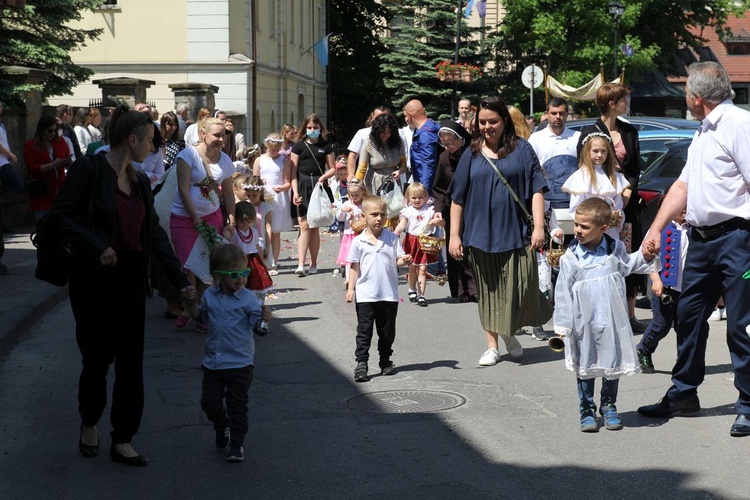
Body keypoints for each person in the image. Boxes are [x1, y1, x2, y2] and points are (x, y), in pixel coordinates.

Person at [50, 104, 195, 466]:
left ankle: (123, 438)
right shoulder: (89, 169)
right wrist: (97, 245)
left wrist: (179, 279)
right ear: (131, 140)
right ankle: (89, 421)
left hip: (131, 279)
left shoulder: (142, 181)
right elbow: (60, 217)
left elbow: (154, 235)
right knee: (97, 360)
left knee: (131, 363)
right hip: (93, 280)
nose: (154, 146)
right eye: (149, 140)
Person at [637, 62, 750, 438]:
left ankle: (748, 404)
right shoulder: (704, 131)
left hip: (737, 239)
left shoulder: (738, 125)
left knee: (740, 326)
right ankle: (684, 393)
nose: (685, 96)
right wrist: (655, 228)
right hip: (701, 241)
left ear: (696, 97)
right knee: (688, 317)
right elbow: (682, 188)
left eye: (686, 90)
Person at [448, 96, 552, 366]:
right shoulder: (470, 153)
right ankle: (492, 345)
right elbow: (457, 198)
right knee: (488, 290)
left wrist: (539, 226)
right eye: (482, 122)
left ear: (505, 120)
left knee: (518, 288)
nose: (487, 127)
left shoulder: (522, 149)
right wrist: (454, 236)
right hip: (480, 234)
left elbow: (536, 189)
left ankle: (508, 331)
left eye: (492, 121)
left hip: (517, 232)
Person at [553, 198, 657, 432]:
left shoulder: (614, 249)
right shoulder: (571, 259)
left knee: (612, 363)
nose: (578, 230)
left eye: (584, 226)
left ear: (602, 228)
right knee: (585, 365)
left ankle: (609, 406)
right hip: (583, 323)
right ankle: (587, 410)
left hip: (611, 320)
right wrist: (562, 326)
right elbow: (563, 293)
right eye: (576, 225)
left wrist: (647, 255)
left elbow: (630, 265)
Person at [191, 243, 271, 462]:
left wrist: (263, 321)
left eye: (245, 273)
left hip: (240, 363)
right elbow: (202, 318)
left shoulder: (249, 299)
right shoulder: (209, 296)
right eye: (235, 274)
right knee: (209, 403)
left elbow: (258, 330)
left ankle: (237, 444)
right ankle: (221, 425)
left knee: (238, 406)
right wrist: (190, 305)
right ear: (219, 275)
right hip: (213, 364)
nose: (241, 279)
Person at [576, 84, 646, 333]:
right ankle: (601, 312)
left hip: (625, 204)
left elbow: (636, 166)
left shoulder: (628, 130)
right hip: (598, 205)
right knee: (600, 259)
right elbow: (581, 167)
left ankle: (629, 314)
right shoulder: (589, 131)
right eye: (622, 99)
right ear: (611, 104)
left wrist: (628, 190)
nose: (626, 102)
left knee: (626, 255)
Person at [170, 116, 236, 330]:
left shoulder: (225, 160)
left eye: (223, 135)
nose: (221, 139)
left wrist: (231, 221)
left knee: (209, 266)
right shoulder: (187, 155)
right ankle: (191, 306)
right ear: (203, 134)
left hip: (212, 216)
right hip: (184, 218)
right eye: (217, 135)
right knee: (188, 266)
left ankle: (201, 313)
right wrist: (195, 218)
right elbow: (183, 188)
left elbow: (227, 193)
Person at [345, 195, 412, 382]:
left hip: (388, 294)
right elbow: (354, 266)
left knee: (387, 331)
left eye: (382, 214)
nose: (378, 218)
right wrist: (351, 289)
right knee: (364, 330)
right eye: (374, 214)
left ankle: (385, 360)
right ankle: (362, 363)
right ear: (364, 216)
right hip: (366, 294)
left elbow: (397, 259)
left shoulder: (392, 238)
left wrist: (404, 259)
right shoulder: (358, 241)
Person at [637, 204, 689, 374]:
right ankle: (643, 349)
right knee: (661, 325)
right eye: (681, 204)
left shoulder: (696, 229)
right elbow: (647, 257)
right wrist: (655, 279)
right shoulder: (658, 229)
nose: (684, 208)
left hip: (688, 288)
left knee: (685, 327)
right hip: (664, 287)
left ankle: (684, 363)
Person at [433, 120, 476, 303]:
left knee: (472, 248)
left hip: (474, 208)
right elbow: (440, 188)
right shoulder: (444, 159)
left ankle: (477, 289)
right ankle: (461, 290)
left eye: (451, 142)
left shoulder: (474, 154)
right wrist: (438, 210)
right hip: (453, 210)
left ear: (460, 138)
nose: (448, 146)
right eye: (445, 143)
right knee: (456, 249)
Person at [290, 113, 336, 276]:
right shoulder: (298, 146)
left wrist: (323, 177)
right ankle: (301, 264)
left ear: (320, 128)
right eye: (309, 128)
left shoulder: (326, 146)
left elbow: (332, 167)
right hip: (302, 185)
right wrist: (295, 192)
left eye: (315, 128)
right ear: (305, 129)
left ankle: (313, 263)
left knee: (314, 225)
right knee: (304, 225)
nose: (312, 130)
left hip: (318, 185)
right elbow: (293, 171)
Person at [563, 133, 630, 240]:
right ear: (587, 152)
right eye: (595, 151)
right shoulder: (580, 177)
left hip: (609, 229)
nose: (600, 155)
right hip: (587, 229)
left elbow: (618, 205)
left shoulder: (613, 176)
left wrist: (616, 216)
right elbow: (576, 207)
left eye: (603, 151)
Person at [393, 182, 443, 307]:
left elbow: (442, 223)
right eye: (413, 198)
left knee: (422, 269)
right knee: (412, 268)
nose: (417, 200)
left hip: (425, 242)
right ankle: (412, 289)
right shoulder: (407, 211)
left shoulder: (430, 210)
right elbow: (402, 224)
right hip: (412, 241)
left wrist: (438, 221)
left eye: (420, 197)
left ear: (425, 198)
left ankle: (421, 295)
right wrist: (396, 232)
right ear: (408, 198)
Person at [528, 97, 580, 209]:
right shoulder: (535, 138)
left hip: (572, 202)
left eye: (561, 113)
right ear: (547, 114)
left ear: (567, 114)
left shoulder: (577, 137)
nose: (557, 117)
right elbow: (530, 170)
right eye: (553, 113)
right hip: (545, 201)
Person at [253, 132, 293, 273]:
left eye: (276, 149)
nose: (273, 151)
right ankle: (262, 259)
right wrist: (260, 183)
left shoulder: (284, 161)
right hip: (262, 195)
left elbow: (288, 182)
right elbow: (253, 181)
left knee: (275, 231)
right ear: (266, 146)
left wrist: (282, 187)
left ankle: (274, 262)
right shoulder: (259, 160)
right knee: (261, 230)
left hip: (277, 197)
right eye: (271, 149)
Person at [23, 115, 72, 220]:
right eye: (49, 131)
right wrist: (53, 165)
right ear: (42, 130)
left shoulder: (61, 143)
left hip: (59, 191)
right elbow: (32, 168)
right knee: (44, 227)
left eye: (55, 130)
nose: (53, 134)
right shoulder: (30, 146)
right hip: (42, 193)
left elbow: (67, 158)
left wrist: (67, 162)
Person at [225, 201, 273, 301]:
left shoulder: (253, 231)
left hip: (252, 260)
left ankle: (253, 300)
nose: (245, 224)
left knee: (254, 281)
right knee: (240, 282)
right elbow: (229, 243)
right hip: (239, 260)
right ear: (236, 219)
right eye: (242, 222)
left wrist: (261, 262)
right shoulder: (234, 232)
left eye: (248, 222)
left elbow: (257, 246)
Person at [355, 113, 406, 206]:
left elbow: (403, 165)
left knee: (393, 210)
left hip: (393, 182)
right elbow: (362, 168)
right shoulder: (368, 143)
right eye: (382, 131)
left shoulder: (399, 143)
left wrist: (399, 171)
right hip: (373, 182)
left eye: (388, 132)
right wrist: (356, 183)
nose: (385, 134)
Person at [403, 100, 440, 195]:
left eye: (405, 115)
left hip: (427, 188)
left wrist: (423, 193)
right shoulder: (431, 126)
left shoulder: (425, 135)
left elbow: (428, 164)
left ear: (409, 116)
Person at [346, 105, 390, 179]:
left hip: (390, 177)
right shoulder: (362, 133)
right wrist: (350, 174)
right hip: (367, 176)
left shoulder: (395, 134)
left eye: (385, 117)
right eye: (378, 117)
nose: (382, 120)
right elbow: (353, 155)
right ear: (373, 117)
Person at [335, 178, 366, 281]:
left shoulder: (365, 204)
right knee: (350, 258)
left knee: (362, 257)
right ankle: (349, 278)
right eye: (352, 195)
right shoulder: (347, 204)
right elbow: (339, 217)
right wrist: (343, 211)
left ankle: (361, 277)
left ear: (362, 193)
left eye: (357, 195)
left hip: (362, 234)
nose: (354, 197)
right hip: (350, 234)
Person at [242, 175, 274, 269]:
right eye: (248, 195)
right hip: (246, 239)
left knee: (260, 265)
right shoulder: (243, 205)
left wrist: (268, 246)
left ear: (261, 192)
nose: (251, 198)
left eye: (254, 195)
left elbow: (268, 227)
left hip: (261, 240)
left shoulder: (266, 207)